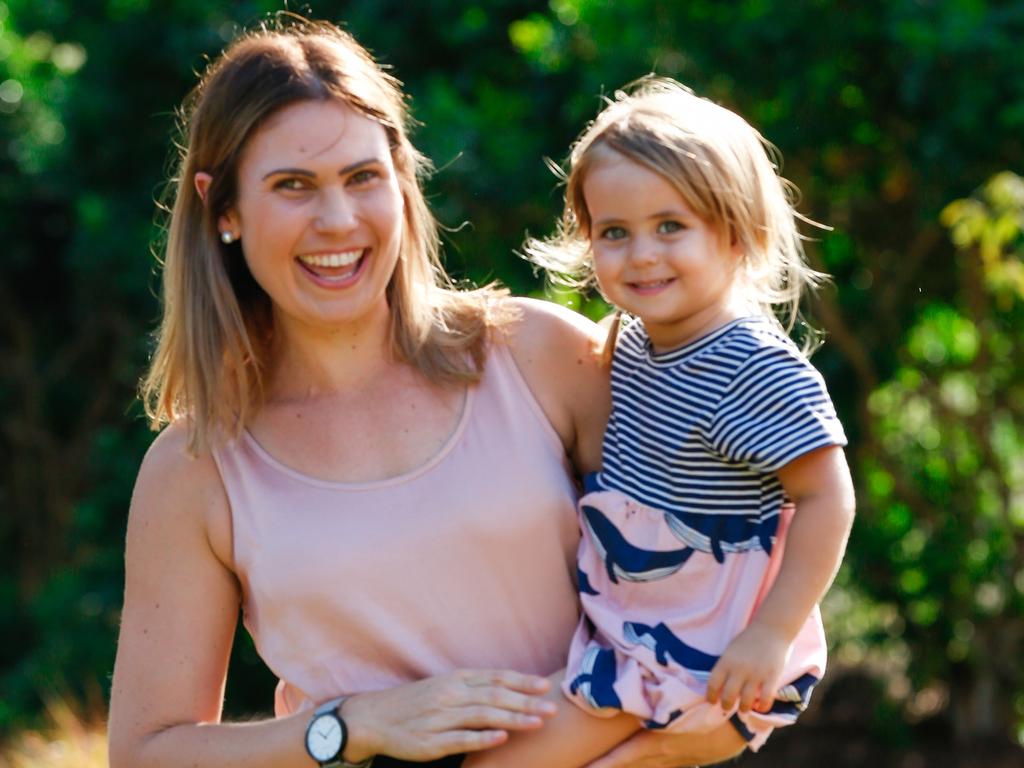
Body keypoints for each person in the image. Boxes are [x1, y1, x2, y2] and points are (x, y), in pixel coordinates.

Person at [106, 20, 748, 768]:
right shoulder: (195, 469)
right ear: (224, 210)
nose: (338, 221)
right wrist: (354, 726)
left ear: (403, 179)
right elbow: (148, 753)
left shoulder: (539, 354)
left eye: (363, 177)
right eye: (293, 187)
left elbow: (740, 579)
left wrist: (649, 748)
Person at [464, 78, 857, 768]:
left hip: (699, 646)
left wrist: (771, 634)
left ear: (736, 232)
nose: (641, 253)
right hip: (639, 623)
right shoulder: (635, 338)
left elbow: (829, 497)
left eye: (670, 226)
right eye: (615, 232)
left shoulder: (751, 364)